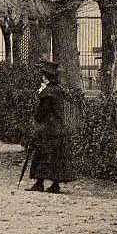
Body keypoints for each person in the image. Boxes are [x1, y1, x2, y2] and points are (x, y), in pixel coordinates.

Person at [27, 61, 72, 194]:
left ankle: (40, 183)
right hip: (58, 127)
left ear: (46, 77)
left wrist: (36, 119)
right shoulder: (59, 89)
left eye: (43, 75)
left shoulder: (48, 92)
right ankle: (54, 184)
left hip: (48, 128)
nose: (42, 77)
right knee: (56, 156)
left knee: (43, 154)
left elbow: (42, 112)